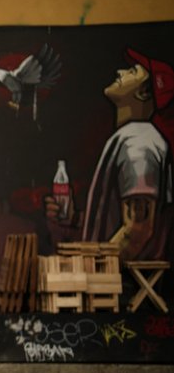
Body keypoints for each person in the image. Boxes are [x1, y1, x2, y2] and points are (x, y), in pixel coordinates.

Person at [45, 48, 173, 264]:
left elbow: (137, 229)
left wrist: (95, 270)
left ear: (144, 93)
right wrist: (73, 218)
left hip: (122, 289)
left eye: (132, 71)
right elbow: (121, 223)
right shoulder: (134, 138)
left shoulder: (138, 142)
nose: (120, 72)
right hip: (119, 287)